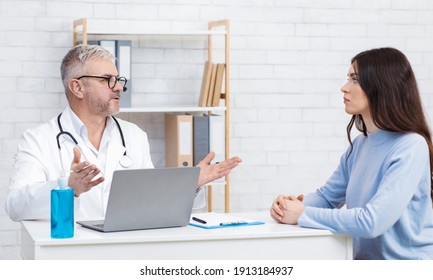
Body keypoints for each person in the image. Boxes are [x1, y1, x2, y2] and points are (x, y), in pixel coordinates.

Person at [6, 44, 241, 222]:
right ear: (77, 87)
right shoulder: (39, 140)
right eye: (107, 80)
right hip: (69, 257)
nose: (119, 87)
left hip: (124, 253)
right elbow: (15, 206)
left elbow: (151, 201)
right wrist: (68, 188)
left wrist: (190, 184)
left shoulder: (134, 136)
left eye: (118, 79)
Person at [270, 47, 433, 260]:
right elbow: (327, 197)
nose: (344, 88)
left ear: (381, 87)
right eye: (348, 79)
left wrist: (302, 214)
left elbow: (373, 221)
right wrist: (289, 206)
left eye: (355, 80)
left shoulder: (411, 146)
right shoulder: (360, 145)